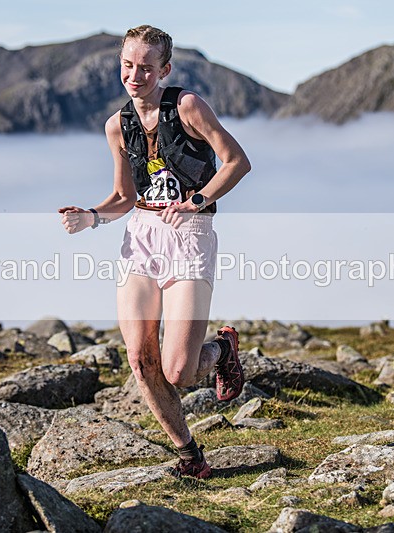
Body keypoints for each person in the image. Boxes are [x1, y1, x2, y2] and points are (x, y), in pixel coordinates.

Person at [58, 25, 251, 478]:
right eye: (128, 65)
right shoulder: (117, 125)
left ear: (165, 69)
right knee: (142, 361)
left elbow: (237, 161)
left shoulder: (187, 106)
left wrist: (199, 199)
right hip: (142, 236)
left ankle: (222, 349)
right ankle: (190, 455)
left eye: (146, 67)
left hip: (190, 232)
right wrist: (91, 216)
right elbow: (123, 197)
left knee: (179, 370)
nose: (135, 74)